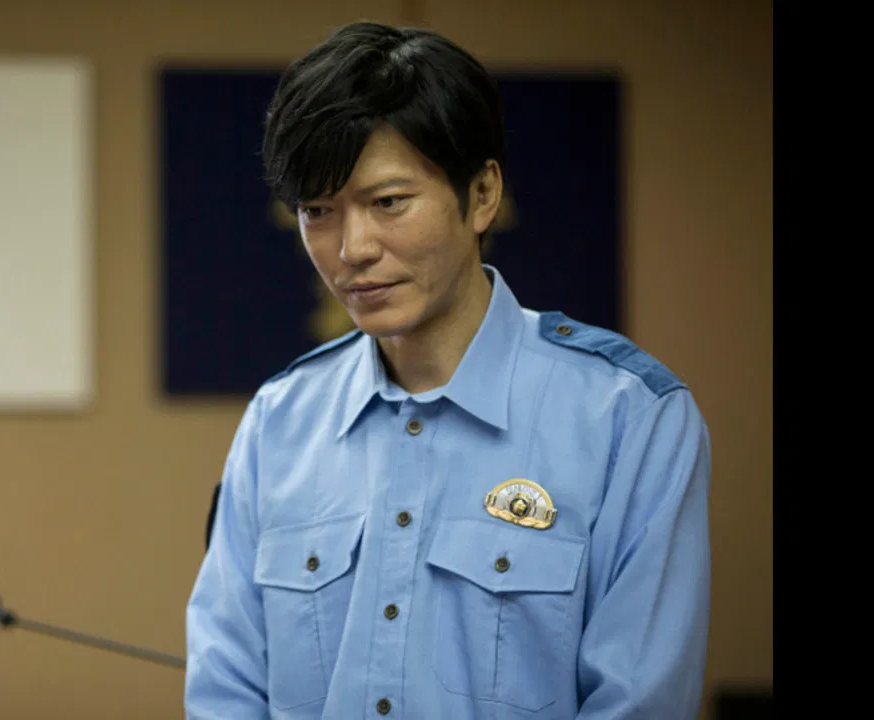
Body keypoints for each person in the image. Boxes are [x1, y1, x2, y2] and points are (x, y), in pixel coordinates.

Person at [184, 20, 712, 720]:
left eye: (388, 202)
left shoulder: (629, 418)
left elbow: (639, 702)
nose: (352, 248)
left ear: (482, 194)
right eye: (318, 211)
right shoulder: (278, 422)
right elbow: (225, 691)